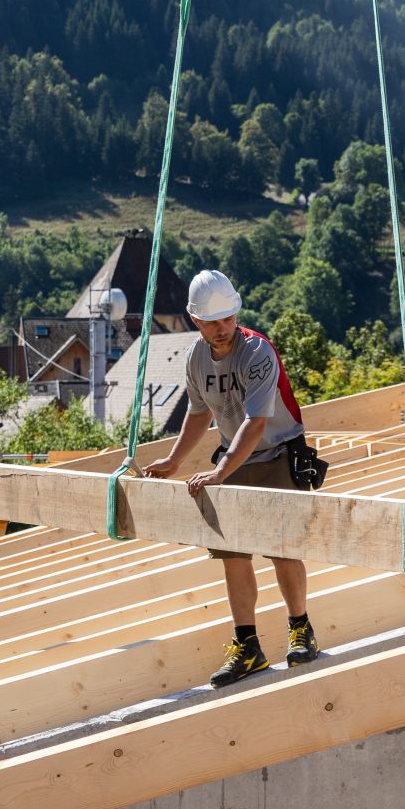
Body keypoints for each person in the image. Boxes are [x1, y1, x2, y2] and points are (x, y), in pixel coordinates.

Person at [144, 268, 321, 687]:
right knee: (234, 557)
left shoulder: (257, 352)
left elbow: (256, 423)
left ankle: (301, 631)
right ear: (195, 321)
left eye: (227, 319)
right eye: (212, 322)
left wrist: (220, 473)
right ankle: (248, 647)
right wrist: (173, 461)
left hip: (277, 455)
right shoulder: (195, 357)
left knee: (282, 549)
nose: (222, 328)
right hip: (234, 460)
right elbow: (199, 413)